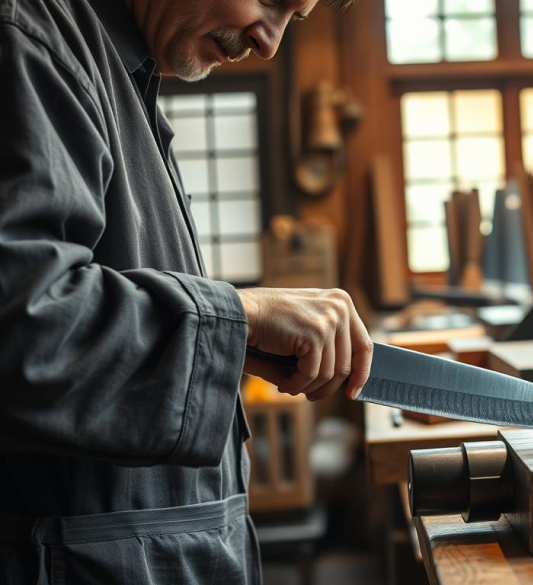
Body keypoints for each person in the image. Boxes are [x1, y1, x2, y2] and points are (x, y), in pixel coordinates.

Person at [0, 0, 365, 582]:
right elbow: (27, 328)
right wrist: (236, 317)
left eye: (291, 20)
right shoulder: (30, 42)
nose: (269, 43)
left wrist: (234, 342)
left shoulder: (125, 73)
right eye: (270, 3)